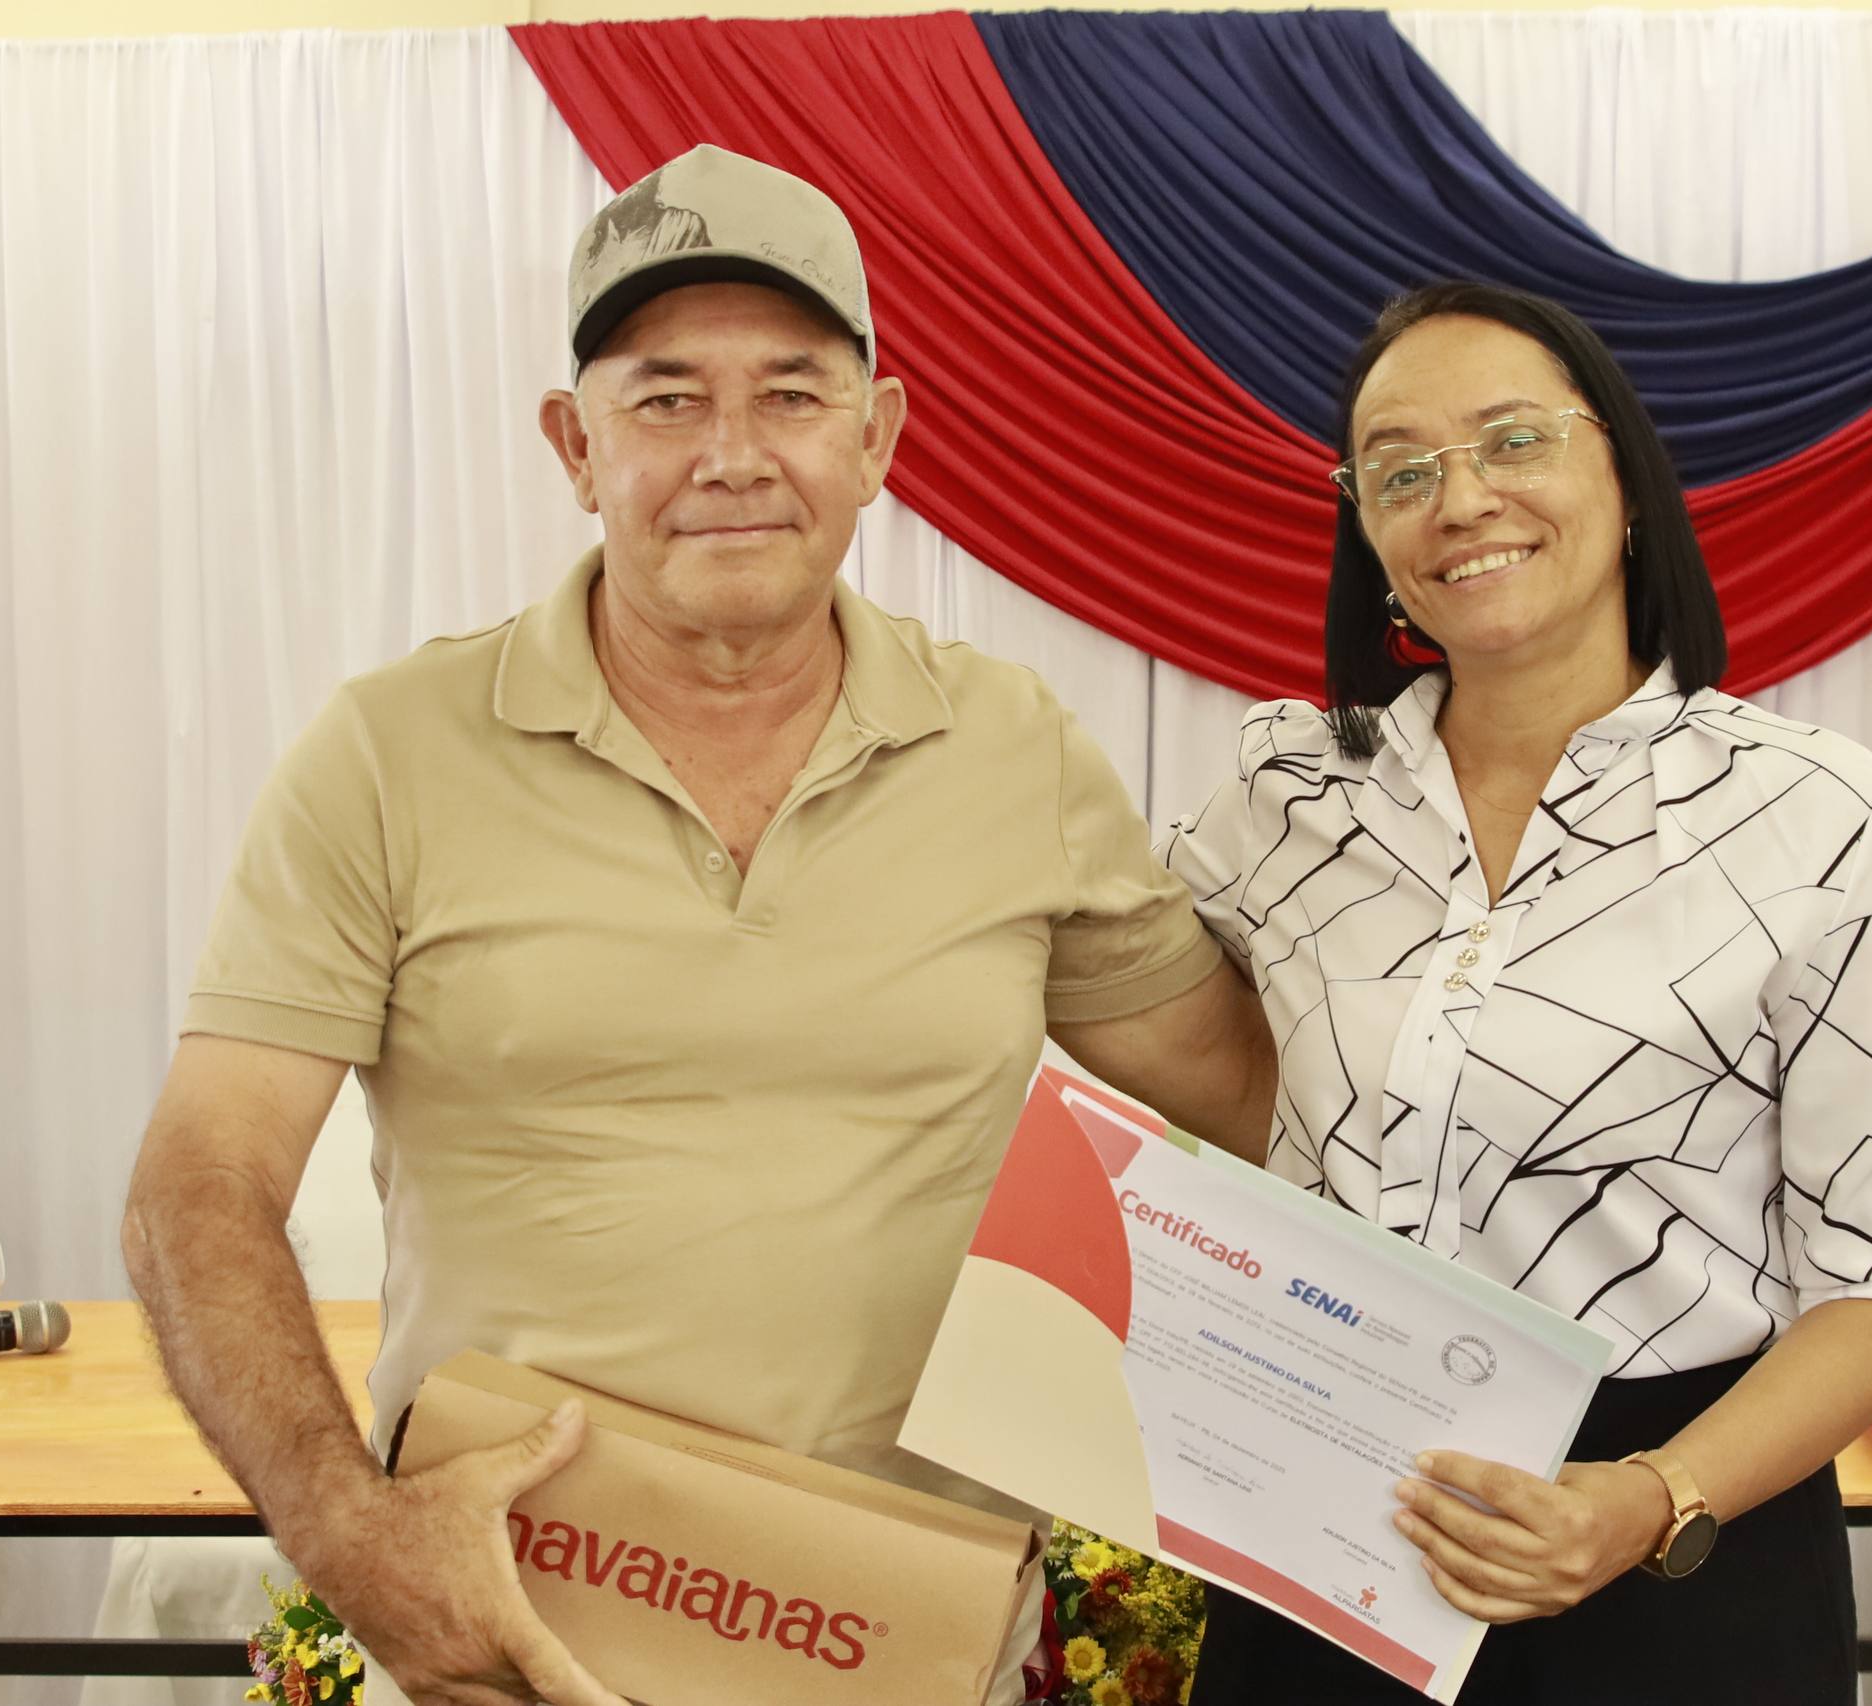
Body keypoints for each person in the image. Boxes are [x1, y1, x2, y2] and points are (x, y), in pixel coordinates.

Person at [119, 143, 1272, 1706]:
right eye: (665, 399)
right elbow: (200, 1183)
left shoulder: (1018, 749)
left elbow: (1254, 1097)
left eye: (791, 394)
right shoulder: (386, 754)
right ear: (574, 444)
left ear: (878, 437)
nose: (732, 454)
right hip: (515, 1639)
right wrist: (353, 1531)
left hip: (911, 1640)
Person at [1161, 280, 1872, 1705]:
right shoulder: (1284, 797)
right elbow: (1147, 1018)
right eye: (1401, 471)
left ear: (1629, 479)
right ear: (1369, 536)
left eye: (1514, 440)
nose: (1461, 498)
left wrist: (1648, 1499)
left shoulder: (1834, 824)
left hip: (1677, 1546)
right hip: (1324, 1515)